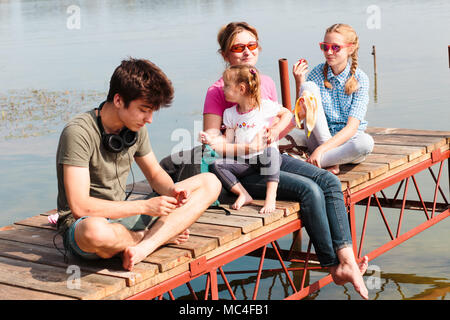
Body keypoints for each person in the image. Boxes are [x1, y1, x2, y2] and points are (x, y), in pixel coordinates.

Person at [203, 21, 369, 299]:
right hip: (242, 168)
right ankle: (331, 266)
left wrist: (276, 130)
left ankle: (348, 259)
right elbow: (213, 143)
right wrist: (245, 145)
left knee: (328, 180)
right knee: (309, 190)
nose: (247, 52)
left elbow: (282, 120)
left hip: (270, 157)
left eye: (252, 45)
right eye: (238, 47)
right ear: (224, 54)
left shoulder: (264, 82)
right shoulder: (219, 90)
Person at [56, 58, 221, 271]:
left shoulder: (134, 128)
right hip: (86, 225)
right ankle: (155, 236)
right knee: (94, 232)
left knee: (210, 182)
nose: (149, 119)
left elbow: (154, 175)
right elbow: (80, 207)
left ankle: (146, 246)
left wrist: (173, 190)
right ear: (118, 100)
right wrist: (144, 206)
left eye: (152, 111)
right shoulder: (78, 132)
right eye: (144, 109)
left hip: (122, 218)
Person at [200, 65, 291, 213]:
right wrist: (211, 140)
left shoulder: (263, 106)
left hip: (265, 159)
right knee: (216, 165)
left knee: (271, 152)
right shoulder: (230, 114)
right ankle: (243, 193)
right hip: (245, 163)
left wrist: (276, 129)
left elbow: (287, 114)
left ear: (241, 89)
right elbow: (227, 139)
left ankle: (270, 196)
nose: (223, 89)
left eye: (227, 86)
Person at [293, 23, 374, 175]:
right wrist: (300, 82)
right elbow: (302, 120)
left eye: (336, 47)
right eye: (325, 46)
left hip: (344, 143)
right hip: (317, 138)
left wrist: (322, 150)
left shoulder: (360, 79)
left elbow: (351, 128)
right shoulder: (317, 73)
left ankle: (317, 161)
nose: (329, 52)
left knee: (366, 143)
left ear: (351, 48)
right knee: (308, 86)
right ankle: (331, 161)